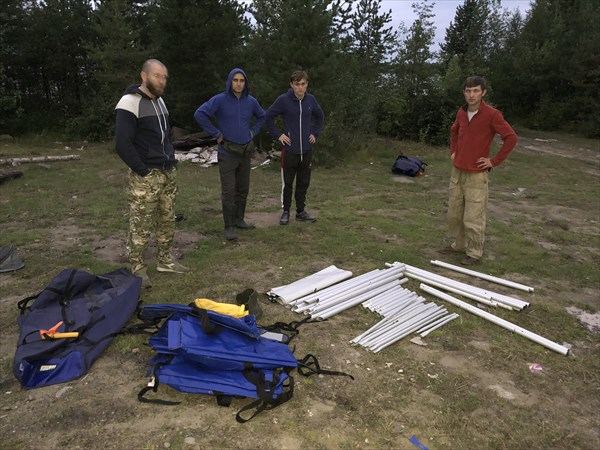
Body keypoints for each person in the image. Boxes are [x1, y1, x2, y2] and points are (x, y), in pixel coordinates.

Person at [115, 59, 189, 288]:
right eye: (157, 76)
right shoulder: (129, 102)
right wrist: (143, 171)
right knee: (141, 223)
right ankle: (136, 267)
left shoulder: (160, 102)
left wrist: (172, 160)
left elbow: (165, 136)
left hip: (168, 172)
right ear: (144, 76)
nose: (161, 80)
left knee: (166, 219)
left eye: (164, 77)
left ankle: (165, 260)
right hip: (146, 175)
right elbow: (122, 144)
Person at [440, 76, 518, 265]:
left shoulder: (492, 115)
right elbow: (454, 131)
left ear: (483, 92)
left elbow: (511, 138)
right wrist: (453, 151)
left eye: (476, 91)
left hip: (476, 174)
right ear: (464, 93)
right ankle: (459, 245)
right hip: (457, 172)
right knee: (455, 213)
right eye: (468, 91)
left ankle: (474, 252)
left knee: (473, 216)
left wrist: (494, 161)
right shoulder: (461, 112)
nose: (471, 94)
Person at [194, 68, 266, 241]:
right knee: (229, 191)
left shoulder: (251, 101)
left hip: (245, 152)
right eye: (236, 80)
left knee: (243, 188)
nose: (239, 83)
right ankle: (229, 226)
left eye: (242, 80)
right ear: (230, 82)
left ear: (245, 83)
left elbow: (262, 116)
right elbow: (200, 114)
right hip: (227, 152)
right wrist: (216, 134)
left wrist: (252, 132)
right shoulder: (220, 100)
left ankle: (239, 219)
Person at [266, 70, 325, 225]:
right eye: (297, 84)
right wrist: (279, 135)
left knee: (303, 182)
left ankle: (300, 212)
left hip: (306, 150)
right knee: (288, 183)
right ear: (292, 85)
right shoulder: (283, 100)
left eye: (303, 84)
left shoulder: (311, 100)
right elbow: (269, 117)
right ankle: (285, 211)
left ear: (307, 85)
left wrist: (315, 133)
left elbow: (320, 117)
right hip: (290, 150)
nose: (300, 88)